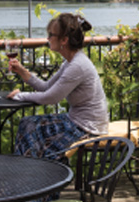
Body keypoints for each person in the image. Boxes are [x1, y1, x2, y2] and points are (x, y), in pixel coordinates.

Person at [7, 13, 108, 161]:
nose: (48, 39)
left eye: (51, 35)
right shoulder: (71, 62)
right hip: (79, 121)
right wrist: (22, 71)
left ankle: (34, 172)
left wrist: (19, 96)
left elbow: (51, 97)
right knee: (28, 123)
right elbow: (46, 87)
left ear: (64, 40)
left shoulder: (77, 65)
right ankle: (33, 172)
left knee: (31, 128)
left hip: (88, 127)